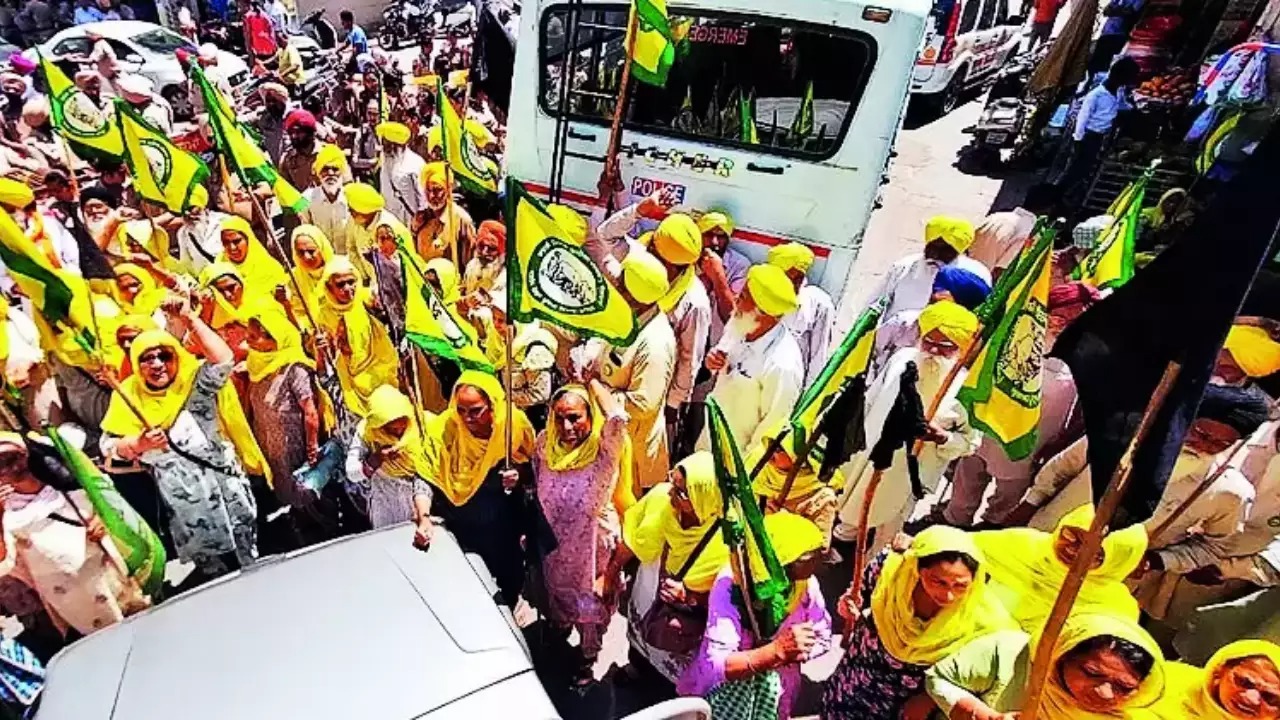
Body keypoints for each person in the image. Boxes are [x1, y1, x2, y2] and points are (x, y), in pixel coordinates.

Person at [99, 310, 263, 581]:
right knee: (212, 569)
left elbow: (224, 360)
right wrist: (138, 443)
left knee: (249, 553)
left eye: (164, 356)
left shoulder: (193, 383)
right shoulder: (127, 395)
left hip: (225, 487)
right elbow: (109, 447)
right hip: (186, 501)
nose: (157, 365)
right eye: (147, 358)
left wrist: (189, 318)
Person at [940, 282, 1095, 528]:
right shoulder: (1016, 336)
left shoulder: (1088, 360)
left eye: (1074, 322)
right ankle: (951, 524)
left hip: (1027, 448)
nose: (1063, 326)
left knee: (1004, 506)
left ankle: (986, 532)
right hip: (986, 431)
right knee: (964, 491)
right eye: (1058, 318)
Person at [821, 526, 1016, 719]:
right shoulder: (891, 570)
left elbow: (968, 674)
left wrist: (929, 699)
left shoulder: (984, 621)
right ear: (918, 568)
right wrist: (847, 606)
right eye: (938, 582)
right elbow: (859, 593)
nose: (948, 595)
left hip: (903, 706)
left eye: (960, 585)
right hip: (853, 680)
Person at [834, 300, 983, 549]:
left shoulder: (966, 390)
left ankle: (874, 563)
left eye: (945, 347)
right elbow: (870, 401)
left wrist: (941, 437)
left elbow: (970, 443)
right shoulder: (901, 360)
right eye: (928, 342)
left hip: (911, 473)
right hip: (870, 455)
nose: (933, 351)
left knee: (888, 532)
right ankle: (843, 540)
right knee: (852, 506)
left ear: (961, 347)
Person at [678, 512, 833, 720]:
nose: (819, 563)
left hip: (777, 690)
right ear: (782, 561)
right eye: (810, 558)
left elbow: (822, 635)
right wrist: (776, 651)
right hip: (730, 692)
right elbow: (718, 664)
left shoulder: (805, 586)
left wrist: (797, 652)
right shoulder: (733, 584)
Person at [0, 432, 150, 637]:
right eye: (1, 464)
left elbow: (111, 503)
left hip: (116, 583)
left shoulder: (73, 481)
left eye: (13, 457)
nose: (12, 468)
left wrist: (103, 520)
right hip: (77, 610)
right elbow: (4, 564)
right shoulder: (9, 517)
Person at [533, 381, 630, 685]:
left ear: (590, 415)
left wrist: (592, 382)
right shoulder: (545, 445)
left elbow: (617, 417)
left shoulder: (604, 451)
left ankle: (587, 656)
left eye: (575, 417)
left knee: (589, 607)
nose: (567, 427)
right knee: (557, 596)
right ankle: (560, 627)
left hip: (591, 549)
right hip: (556, 547)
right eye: (559, 417)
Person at [421, 371, 535, 607]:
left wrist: (518, 475)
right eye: (461, 410)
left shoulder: (511, 426)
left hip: (502, 528)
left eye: (475, 411)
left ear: (492, 405)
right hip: (460, 525)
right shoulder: (444, 429)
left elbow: (534, 469)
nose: (467, 418)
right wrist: (423, 516)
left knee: (507, 586)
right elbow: (424, 476)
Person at [613, 452, 729, 683]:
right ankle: (636, 668)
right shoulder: (660, 499)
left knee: (672, 657)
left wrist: (689, 597)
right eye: (672, 481)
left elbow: (729, 598)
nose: (670, 493)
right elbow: (633, 539)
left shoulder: (724, 541)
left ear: (704, 499)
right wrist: (611, 571)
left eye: (681, 492)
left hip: (683, 615)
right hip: (649, 587)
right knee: (641, 635)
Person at [925, 612, 1166, 719]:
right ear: (1063, 653)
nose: (1105, 693)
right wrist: (983, 716)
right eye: (1092, 673)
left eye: (1124, 687)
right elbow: (940, 679)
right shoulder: (1009, 653)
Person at [583, 250, 677, 491]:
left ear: (635, 296)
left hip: (631, 452)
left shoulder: (656, 342)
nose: (616, 286)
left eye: (622, 285)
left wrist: (595, 388)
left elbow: (643, 405)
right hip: (606, 437)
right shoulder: (630, 314)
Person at [974, 504, 1147, 632]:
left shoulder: (1116, 611)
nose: (1072, 549)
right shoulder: (1021, 544)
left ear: (1117, 562)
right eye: (1070, 535)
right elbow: (961, 547)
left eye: (1093, 551)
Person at [243, 302, 334, 542]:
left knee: (308, 490)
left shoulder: (295, 368)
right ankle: (302, 530)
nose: (248, 341)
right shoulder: (256, 364)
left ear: (274, 340)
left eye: (254, 336)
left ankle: (327, 534)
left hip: (297, 446)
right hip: (273, 447)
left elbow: (310, 410)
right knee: (288, 493)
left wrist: (311, 446)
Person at [700, 264, 803, 452]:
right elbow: (719, 360)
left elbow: (770, 431)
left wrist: (744, 466)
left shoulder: (782, 365)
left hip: (736, 460)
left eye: (744, 297)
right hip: (707, 442)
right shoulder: (739, 323)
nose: (736, 299)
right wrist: (712, 360)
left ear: (763, 313)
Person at [312, 256, 399, 417]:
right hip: (347, 384)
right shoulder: (322, 317)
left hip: (380, 375)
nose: (347, 288)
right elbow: (326, 359)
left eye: (351, 282)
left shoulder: (367, 300)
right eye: (340, 284)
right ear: (329, 287)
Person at [872, 215, 990, 326]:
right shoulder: (904, 266)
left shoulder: (976, 274)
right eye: (933, 247)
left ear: (958, 251)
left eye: (945, 250)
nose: (935, 254)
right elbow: (874, 305)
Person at [345, 384, 434, 529]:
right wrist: (374, 461)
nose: (398, 434)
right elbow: (351, 473)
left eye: (402, 428)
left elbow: (426, 475)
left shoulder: (422, 426)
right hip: (383, 504)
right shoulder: (367, 432)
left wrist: (422, 513)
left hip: (420, 504)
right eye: (392, 430)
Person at [1059, 58, 1141, 198]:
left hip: (1101, 135)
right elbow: (1083, 118)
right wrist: (1078, 140)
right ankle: (1061, 193)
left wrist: (1134, 107)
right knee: (1075, 168)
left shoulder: (1118, 91)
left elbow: (1121, 105)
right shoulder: (1096, 95)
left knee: (1087, 167)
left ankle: (1072, 194)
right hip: (1088, 135)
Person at [750, 429, 841, 550]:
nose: (770, 452)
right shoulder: (763, 470)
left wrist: (786, 521)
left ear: (797, 457)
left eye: (778, 449)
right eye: (771, 445)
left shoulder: (822, 496)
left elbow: (820, 545)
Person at [1155, 640, 1280, 719]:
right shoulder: (1160, 682)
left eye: (1270, 697)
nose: (1251, 698)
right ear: (1219, 671)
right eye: (1244, 682)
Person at [770, 242, 835, 387]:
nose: (793, 284)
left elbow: (818, 355)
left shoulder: (818, 303)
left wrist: (808, 394)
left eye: (798, 278)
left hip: (790, 384)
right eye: (787, 278)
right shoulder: (761, 295)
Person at [215, 215, 290, 303]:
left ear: (248, 239)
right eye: (226, 242)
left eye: (236, 241)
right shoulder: (219, 267)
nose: (232, 248)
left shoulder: (270, 267)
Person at [416, 161, 474, 264]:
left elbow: (469, 261)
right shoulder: (420, 219)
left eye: (437, 190)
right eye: (428, 190)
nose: (432, 196)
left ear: (448, 190)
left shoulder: (461, 220)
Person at [301, 145, 354, 254]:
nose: (330, 173)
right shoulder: (307, 198)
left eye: (335, 169)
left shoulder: (352, 198)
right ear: (319, 173)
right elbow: (307, 233)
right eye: (325, 169)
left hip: (349, 259)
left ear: (342, 172)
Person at [377, 121, 426, 227]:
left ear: (395, 145)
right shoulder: (385, 159)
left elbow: (423, 197)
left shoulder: (415, 163)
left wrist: (420, 220)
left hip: (409, 219)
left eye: (386, 142)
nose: (384, 146)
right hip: (388, 218)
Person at [174, 186, 230, 275]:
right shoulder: (183, 234)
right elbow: (187, 267)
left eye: (191, 208)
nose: (188, 213)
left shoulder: (225, 221)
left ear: (202, 205)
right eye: (183, 209)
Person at [286, 224, 333, 329]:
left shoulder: (340, 271)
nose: (306, 257)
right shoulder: (293, 279)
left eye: (311, 251)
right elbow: (299, 313)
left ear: (321, 248)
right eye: (300, 252)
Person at [278, 109, 322, 195]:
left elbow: (346, 185)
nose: (294, 136)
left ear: (310, 132)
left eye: (298, 132)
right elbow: (285, 190)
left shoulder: (329, 154)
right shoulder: (287, 160)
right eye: (291, 132)